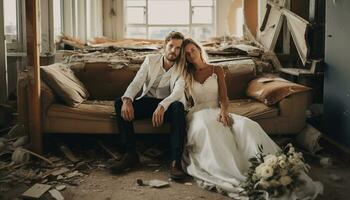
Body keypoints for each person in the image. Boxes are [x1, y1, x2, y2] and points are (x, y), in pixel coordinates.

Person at [178, 38, 323, 198]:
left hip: (218, 109)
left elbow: (224, 98)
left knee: (247, 125)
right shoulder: (186, 74)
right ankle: (227, 169)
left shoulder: (216, 69)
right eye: (186, 53)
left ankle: (266, 168)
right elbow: (183, 99)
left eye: (192, 50)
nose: (191, 54)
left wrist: (224, 112)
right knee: (208, 127)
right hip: (198, 113)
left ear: (199, 49)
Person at [112, 31, 187, 180]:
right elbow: (137, 82)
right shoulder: (150, 60)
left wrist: (162, 106)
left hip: (168, 106)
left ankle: (175, 161)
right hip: (148, 102)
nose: (173, 51)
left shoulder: (183, 67)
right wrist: (127, 100)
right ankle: (131, 154)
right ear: (164, 45)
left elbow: (178, 91)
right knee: (119, 102)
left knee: (178, 107)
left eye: (178, 48)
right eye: (171, 46)